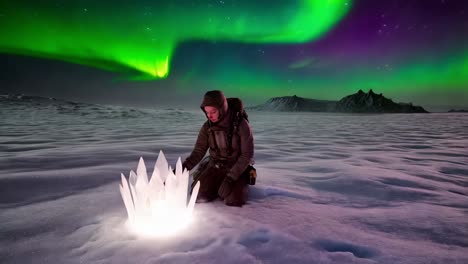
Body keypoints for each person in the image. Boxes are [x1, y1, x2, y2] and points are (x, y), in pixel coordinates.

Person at [181, 90, 254, 207]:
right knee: (198, 196)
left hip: (237, 168)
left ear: (222, 108)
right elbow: (198, 152)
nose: (209, 116)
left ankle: (241, 184)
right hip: (215, 166)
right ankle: (209, 176)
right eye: (207, 112)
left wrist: (230, 179)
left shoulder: (241, 124)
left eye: (213, 112)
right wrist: (179, 171)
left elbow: (247, 155)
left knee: (234, 201)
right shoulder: (207, 127)